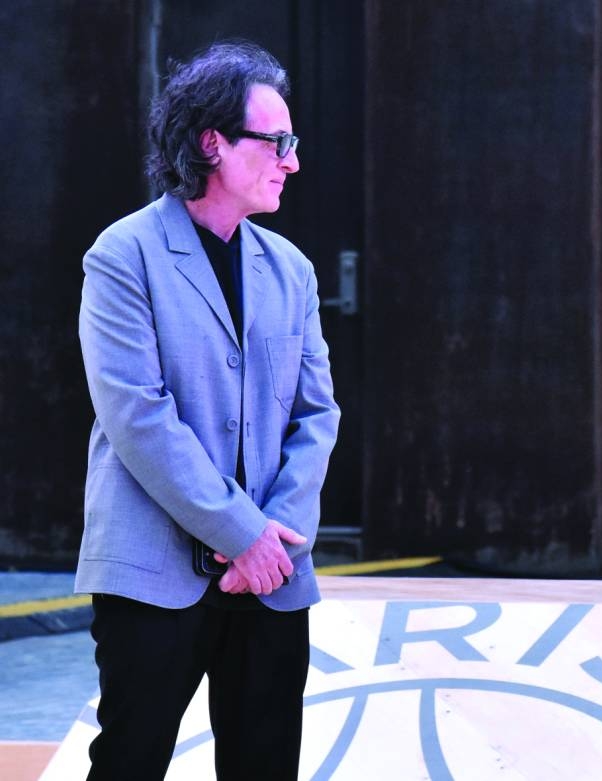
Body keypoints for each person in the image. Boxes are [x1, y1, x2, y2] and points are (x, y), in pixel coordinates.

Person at [76, 41, 340, 780]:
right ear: (212, 142)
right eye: (277, 142)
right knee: (129, 762)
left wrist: (274, 538)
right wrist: (241, 533)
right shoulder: (122, 255)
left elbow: (317, 414)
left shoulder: (292, 269)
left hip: (274, 574)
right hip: (153, 571)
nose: (292, 161)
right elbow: (137, 415)